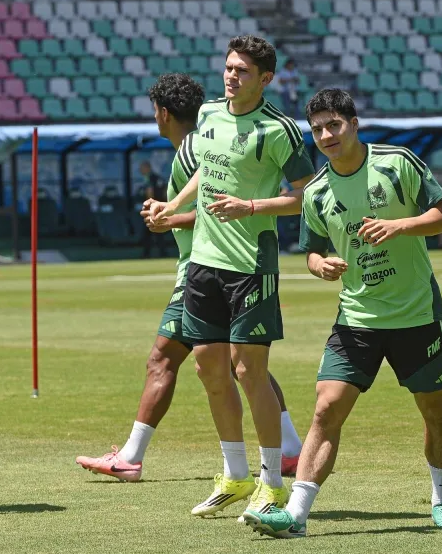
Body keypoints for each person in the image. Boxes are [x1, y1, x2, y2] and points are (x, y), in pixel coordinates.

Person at [243, 89, 442, 538]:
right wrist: (319, 265)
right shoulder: (317, 191)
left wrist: (401, 225)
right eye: (318, 128)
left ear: (353, 123)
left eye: (334, 125)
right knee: (326, 410)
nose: (326, 135)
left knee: (435, 411)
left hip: (416, 314)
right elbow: (311, 252)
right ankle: (296, 516)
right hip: (356, 320)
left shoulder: (398, 163)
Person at [76, 73, 304, 484]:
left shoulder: (192, 150)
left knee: (165, 359)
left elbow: (217, 207)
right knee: (244, 360)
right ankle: (288, 449)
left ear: (162, 113)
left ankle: (132, 457)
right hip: (208, 267)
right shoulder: (204, 140)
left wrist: (169, 218)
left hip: (207, 269)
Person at [150, 35, 316, 519]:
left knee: (250, 372)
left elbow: (306, 195)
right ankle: (235, 475)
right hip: (203, 262)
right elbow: (205, 166)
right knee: (210, 371)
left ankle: (272, 484)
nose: (231, 76)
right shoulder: (207, 116)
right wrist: (172, 205)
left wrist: (250, 206)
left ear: (265, 79)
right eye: (228, 67)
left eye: (242, 71)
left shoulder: (280, 130)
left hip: (251, 266)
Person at [139, 160, 168, 258]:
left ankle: (147, 254)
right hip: (160, 207)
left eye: (142, 168)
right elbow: (165, 192)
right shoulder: (158, 178)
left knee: (151, 231)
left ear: (147, 168)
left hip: (152, 208)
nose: (141, 170)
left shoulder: (149, 178)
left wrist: (149, 205)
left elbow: (149, 192)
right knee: (157, 231)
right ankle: (161, 253)